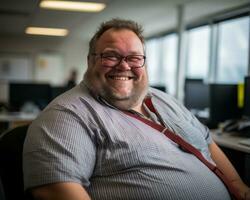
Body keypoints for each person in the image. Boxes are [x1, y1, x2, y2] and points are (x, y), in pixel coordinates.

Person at [23, 18, 250, 200]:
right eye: (110, 56)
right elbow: (53, 191)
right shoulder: (68, 114)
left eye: (134, 57)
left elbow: (206, 141)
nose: (124, 65)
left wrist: (237, 185)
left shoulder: (165, 101)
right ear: (90, 60)